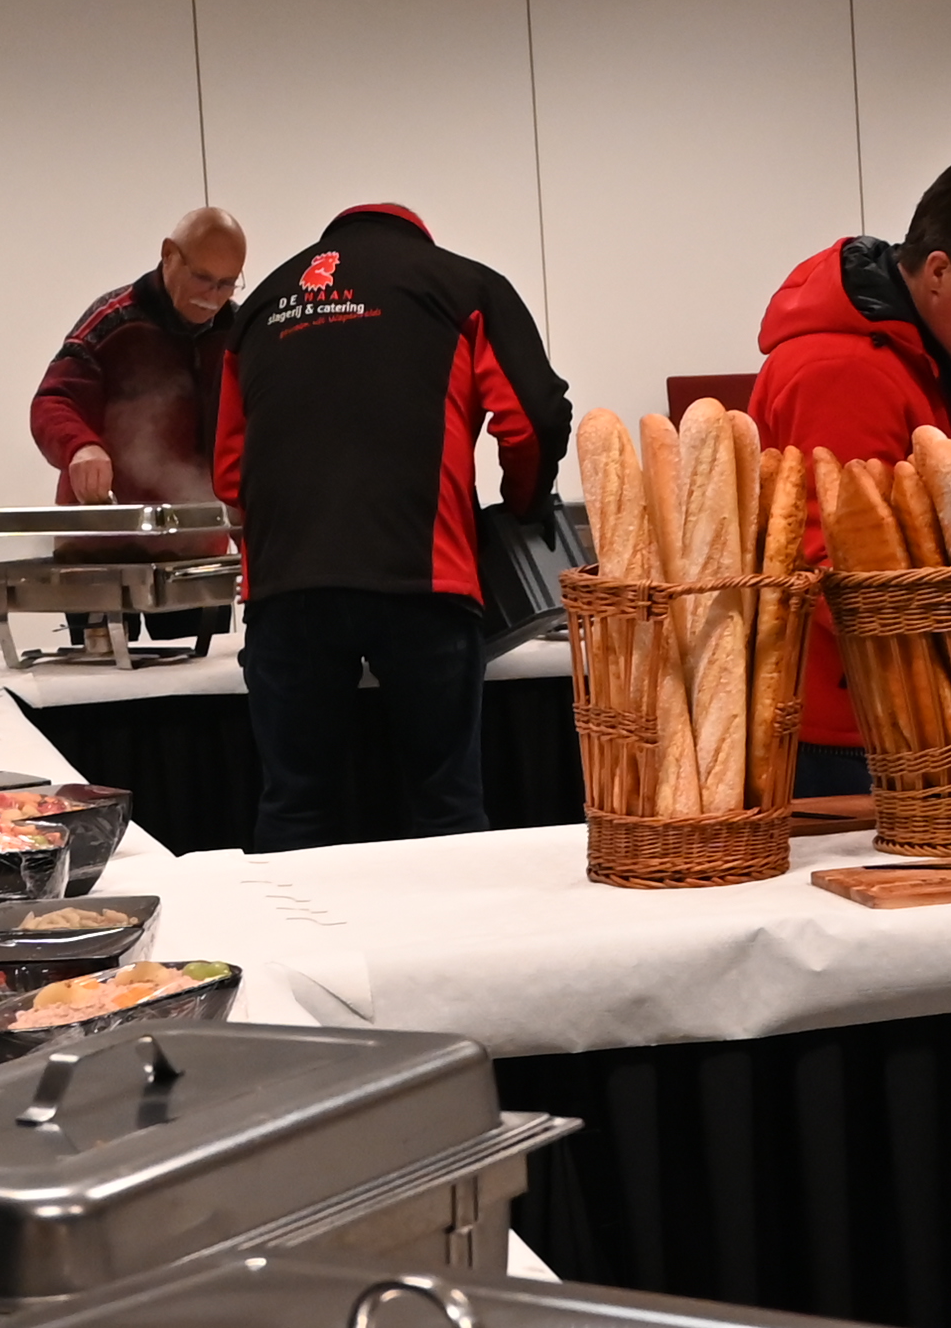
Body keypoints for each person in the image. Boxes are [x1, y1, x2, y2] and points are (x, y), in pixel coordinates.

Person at [216, 204, 570, 851]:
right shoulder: (463, 283)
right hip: (422, 577)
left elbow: (230, 472)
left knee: (295, 807)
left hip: (287, 583)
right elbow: (533, 417)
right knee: (445, 807)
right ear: (418, 236)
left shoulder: (261, 305)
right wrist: (524, 502)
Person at [748, 155, 951, 796]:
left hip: (875, 708)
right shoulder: (847, 371)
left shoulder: (916, 355)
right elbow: (838, 572)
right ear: (940, 272)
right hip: (850, 721)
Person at [29, 206, 246, 507]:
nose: (212, 296)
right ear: (168, 254)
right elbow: (52, 402)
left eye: (226, 284)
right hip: (110, 524)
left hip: (206, 524)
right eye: (201, 278)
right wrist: (80, 447)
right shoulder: (115, 320)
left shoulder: (240, 332)